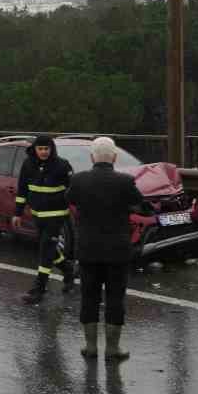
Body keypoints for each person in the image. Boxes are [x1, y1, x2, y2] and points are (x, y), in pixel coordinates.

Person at [66, 136, 153, 361]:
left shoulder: (78, 180)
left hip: (88, 249)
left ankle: (91, 347)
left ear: (92, 157)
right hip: (117, 250)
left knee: (89, 296)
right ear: (114, 157)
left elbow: (70, 200)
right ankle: (113, 349)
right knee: (115, 297)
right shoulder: (125, 182)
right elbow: (143, 207)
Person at [15, 134, 76, 305]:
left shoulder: (62, 165)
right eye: (40, 148)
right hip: (38, 215)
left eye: (46, 149)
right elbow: (22, 191)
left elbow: (72, 189)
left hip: (56, 216)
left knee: (45, 250)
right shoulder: (28, 164)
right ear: (35, 149)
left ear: (52, 149)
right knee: (48, 248)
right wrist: (17, 213)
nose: (43, 152)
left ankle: (39, 290)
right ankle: (68, 270)